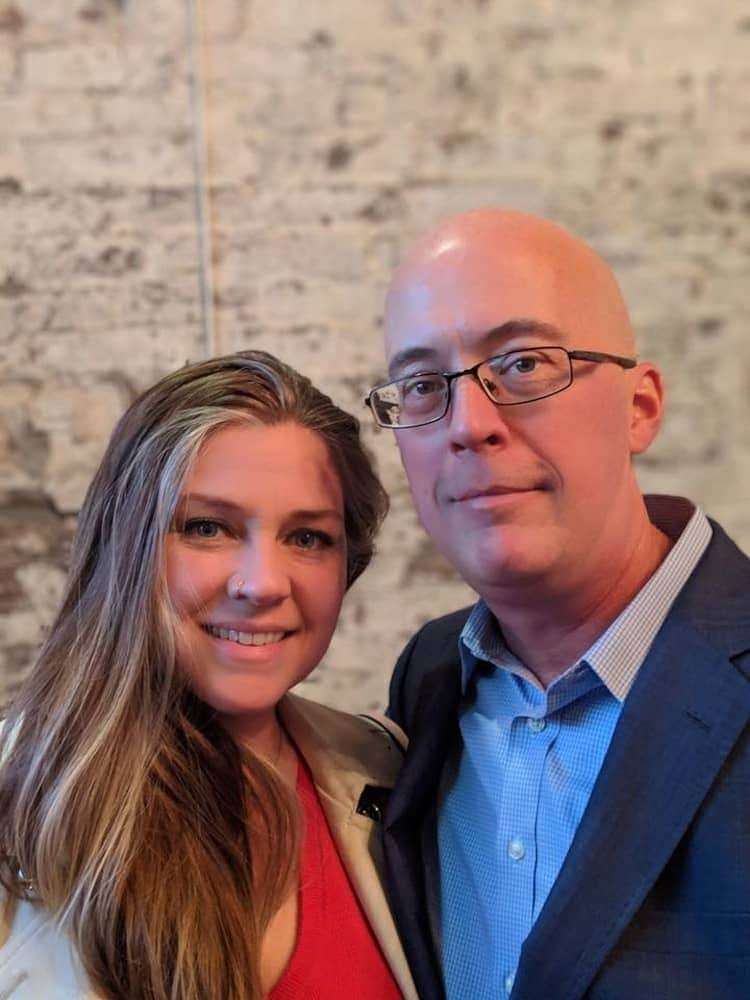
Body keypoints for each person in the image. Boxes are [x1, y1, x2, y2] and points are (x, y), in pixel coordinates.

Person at [364, 209, 750, 1000]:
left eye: (524, 364)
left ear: (639, 408)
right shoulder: (430, 680)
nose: (470, 424)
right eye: (423, 385)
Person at [0, 351, 417, 1000]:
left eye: (308, 537)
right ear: (125, 545)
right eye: (207, 527)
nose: (262, 583)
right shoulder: (14, 797)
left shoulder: (390, 771)